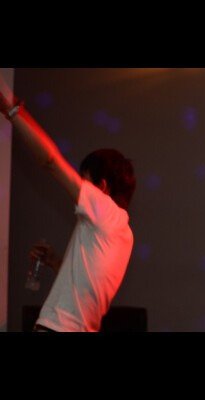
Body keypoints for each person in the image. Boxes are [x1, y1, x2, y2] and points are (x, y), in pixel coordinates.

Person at [0, 85, 136, 332]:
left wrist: (13, 111)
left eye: (84, 181)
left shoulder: (104, 209)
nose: (79, 188)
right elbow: (88, 285)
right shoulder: (124, 232)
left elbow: (50, 161)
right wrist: (55, 262)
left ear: (102, 187)